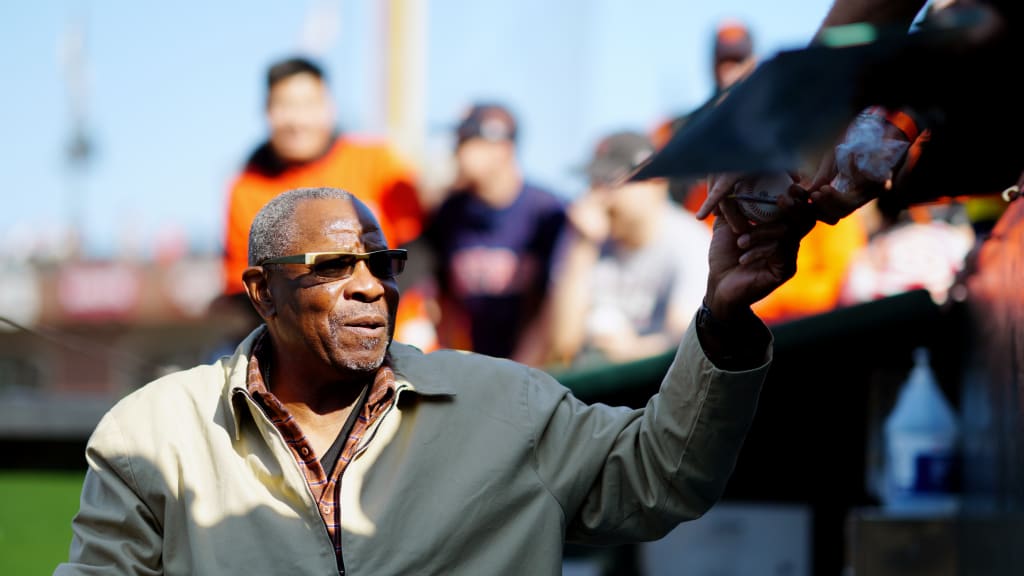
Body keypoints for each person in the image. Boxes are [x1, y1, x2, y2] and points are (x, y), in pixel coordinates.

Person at [57, 185, 811, 575]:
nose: (369, 288)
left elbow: (664, 474)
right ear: (262, 292)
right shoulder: (152, 436)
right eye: (332, 269)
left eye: (381, 266)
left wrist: (721, 319)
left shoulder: (507, 405)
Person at [218, 56, 423, 330]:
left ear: (329, 107)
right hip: (306, 344)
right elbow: (242, 284)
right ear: (267, 111)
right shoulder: (247, 188)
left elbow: (420, 249)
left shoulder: (378, 163)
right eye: (285, 106)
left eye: (308, 104)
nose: (298, 120)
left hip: (395, 330)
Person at [548, 131, 711, 367]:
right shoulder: (585, 240)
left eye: (610, 183)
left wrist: (633, 351)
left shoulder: (688, 240)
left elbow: (691, 341)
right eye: (594, 183)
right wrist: (582, 247)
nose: (597, 197)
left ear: (655, 182)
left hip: (662, 387)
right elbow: (561, 347)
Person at [422, 103, 566, 363]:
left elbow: (553, 308)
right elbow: (440, 303)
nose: (457, 150)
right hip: (477, 367)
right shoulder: (449, 214)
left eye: (466, 141)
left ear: (501, 149)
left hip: (542, 371)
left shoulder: (548, 213)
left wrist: (520, 375)